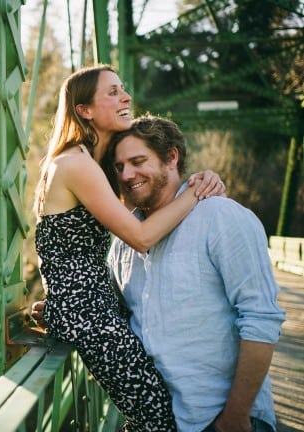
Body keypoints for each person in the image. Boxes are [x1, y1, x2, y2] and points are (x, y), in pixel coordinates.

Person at [33, 115, 286, 432]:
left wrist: (236, 415)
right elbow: (114, 313)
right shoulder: (124, 244)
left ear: (171, 157)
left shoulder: (221, 217)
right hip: (160, 420)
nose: (127, 175)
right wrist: (67, 309)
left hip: (220, 418)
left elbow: (262, 318)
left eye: (138, 161)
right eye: (119, 166)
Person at [32, 65, 225, 431]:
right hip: (88, 317)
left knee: (155, 406)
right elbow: (141, 237)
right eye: (113, 92)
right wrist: (198, 192)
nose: (126, 98)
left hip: (98, 307)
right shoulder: (74, 163)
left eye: (123, 89)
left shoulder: (98, 166)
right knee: (156, 417)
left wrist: (199, 180)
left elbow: (153, 199)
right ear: (84, 110)